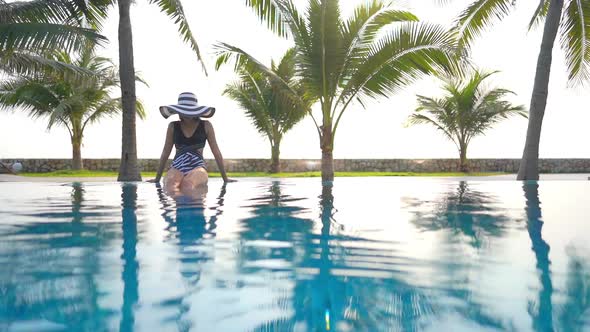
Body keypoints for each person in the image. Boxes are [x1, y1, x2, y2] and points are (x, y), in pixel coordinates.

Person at [148, 92, 235, 194]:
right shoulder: (173, 126)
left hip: (197, 167)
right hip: (177, 166)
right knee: (170, 185)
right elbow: (165, 153)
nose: (187, 114)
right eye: (184, 111)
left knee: (188, 185)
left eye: (189, 111)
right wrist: (157, 179)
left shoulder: (206, 126)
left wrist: (225, 178)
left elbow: (216, 152)